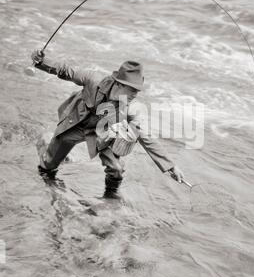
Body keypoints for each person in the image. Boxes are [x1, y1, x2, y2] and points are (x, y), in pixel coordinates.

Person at [31, 50, 184, 199]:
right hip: (76, 124)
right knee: (48, 166)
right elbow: (65, 70)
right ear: (118, 84)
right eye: (131, 90)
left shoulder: (130, 108)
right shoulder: (93, 79)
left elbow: (145, 137)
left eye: (137, 91)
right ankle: (45, 151)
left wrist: (170, 166)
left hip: (101, 133)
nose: (134, 95)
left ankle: (111, 199)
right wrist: (41, 62)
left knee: (116, 169)